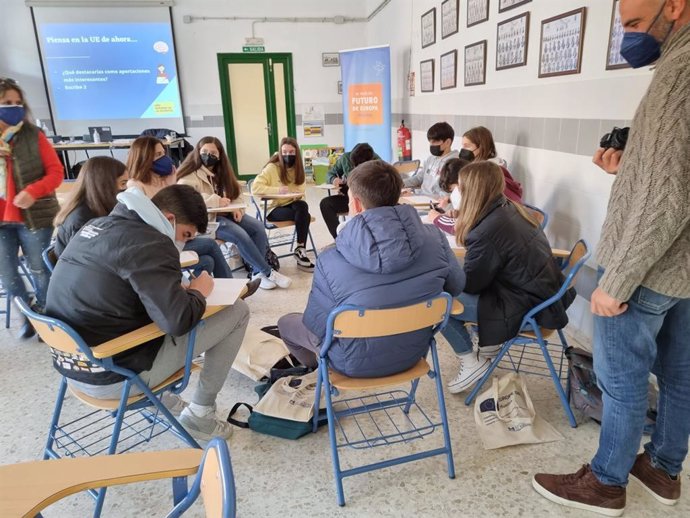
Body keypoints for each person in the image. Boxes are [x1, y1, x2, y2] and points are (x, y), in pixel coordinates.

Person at [533, 1, 690, 515]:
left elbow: (668, 200)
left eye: (637, 24)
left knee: (621, 381)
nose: (629, 38)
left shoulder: (677, 75)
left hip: (647, 269)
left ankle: (605, 482)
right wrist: (631, 163)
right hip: (683, 271)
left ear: (676, 6)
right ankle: (663, 470)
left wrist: (616, 280)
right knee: (680, 376)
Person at [46, 185, 249, 441]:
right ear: (168, 218)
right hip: (113, 377)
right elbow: (178, 321)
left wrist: (172, 290)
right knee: (238, 311)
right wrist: (198, 292)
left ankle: (161, 399)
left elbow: (117, 290)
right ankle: (201, 414)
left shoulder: (98, 225)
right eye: (185, 235)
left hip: (73, 367)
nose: (183, 243)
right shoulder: (152, 242)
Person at [276, 160, 465, 377]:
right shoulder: (436, 238)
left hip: (350, 364)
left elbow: (317, 325)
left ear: (356, 204)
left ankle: (314, 371)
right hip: (414, 354)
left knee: (287, 323)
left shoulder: (330, 258)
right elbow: (456, 286)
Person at [442, 161, 574, 394]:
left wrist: (448, 273)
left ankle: (471, 361)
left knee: (436, 300)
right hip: (543, 297)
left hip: (523, 306)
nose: (455, 193)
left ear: (472, 191)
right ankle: (489, 343)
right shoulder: (509, 209)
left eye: (459, 188)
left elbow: (472, 284)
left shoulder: (486, 231)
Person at [177, 136, 290, 290]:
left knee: (257, 227)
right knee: (239, 234)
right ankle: (268, 272)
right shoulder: (189, 174)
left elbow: (236, 194)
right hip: (207, 220)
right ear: (197, 152)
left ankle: (257, 273)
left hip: (226, 214)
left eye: (213, 153)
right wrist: (215, 201)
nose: (208, 156)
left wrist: (237, 208)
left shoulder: (221, 171)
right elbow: (187, 197)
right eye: (204, 152)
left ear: (219, 155)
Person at [0, 77, 63, 339]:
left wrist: (32, 192)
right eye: (6, 103)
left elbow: (56, 172)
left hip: (33, 216)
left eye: (17, 103)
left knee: (40, 269)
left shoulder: (33, 135)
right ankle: (29, 315)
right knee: (7, 272)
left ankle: (47, 321)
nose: (13, 107)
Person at [126, 136, 233, 279]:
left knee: (207, 261)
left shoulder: (162, 179)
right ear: (144, 158)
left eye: (163, 153)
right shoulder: (135, 186)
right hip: (160, 243)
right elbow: (153, 218)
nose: (164, 158)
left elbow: (180, 208)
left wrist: (171, 183)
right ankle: (232, 290)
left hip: (176, 235)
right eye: (158, 155)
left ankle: (195, 292)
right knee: (210, 245)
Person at [251, 137, 315, 271]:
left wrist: (291, 193)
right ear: (280, 152)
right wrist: (278, 190)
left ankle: (300, 248)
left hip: (291, 203)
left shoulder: (298, 168)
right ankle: (300, 251)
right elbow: (255, 188)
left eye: (291, 152)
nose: (288, 155)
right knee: (305, 217)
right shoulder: (272, 168)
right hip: (273, 207)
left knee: (302, 206)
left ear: (296, 153)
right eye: (284, 152)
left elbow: (301, 190)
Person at [53, 156, 127, 257]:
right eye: (123, 183)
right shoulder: (81, 219)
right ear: (104, 185)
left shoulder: (98, 205)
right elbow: (89, 260)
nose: (126, 188)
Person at [319, 142, 380, 238]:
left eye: (359, 166)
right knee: (325, 204)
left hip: (371, 200)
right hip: (350, 196)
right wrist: (334, 179)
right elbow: (330, 173)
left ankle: (369, 238)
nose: (355, 168)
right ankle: (340, 239)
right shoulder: (345, 158)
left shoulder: (377, 161)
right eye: (353, 165)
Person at [461, 126, 523, 202]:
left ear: (481, 147)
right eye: (463, 146)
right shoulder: (478, 167)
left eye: (467, 146)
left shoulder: (489, 171)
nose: (463, 149)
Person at [403, 121, 459, 198]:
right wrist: (398, 184)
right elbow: (419, 178)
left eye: (435, 142)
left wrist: (415, 194)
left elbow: (444, 195)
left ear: (448, 142)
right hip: (420, 197)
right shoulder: (431, 158)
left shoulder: (454, 164)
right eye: (430, 142)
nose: (431, 145)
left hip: (433, 203)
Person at [427, 157, 471, 235]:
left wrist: (437, 218)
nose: (457, 192)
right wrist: (458, 214)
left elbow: (461, 228)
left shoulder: (475, 198)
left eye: (457, 188)